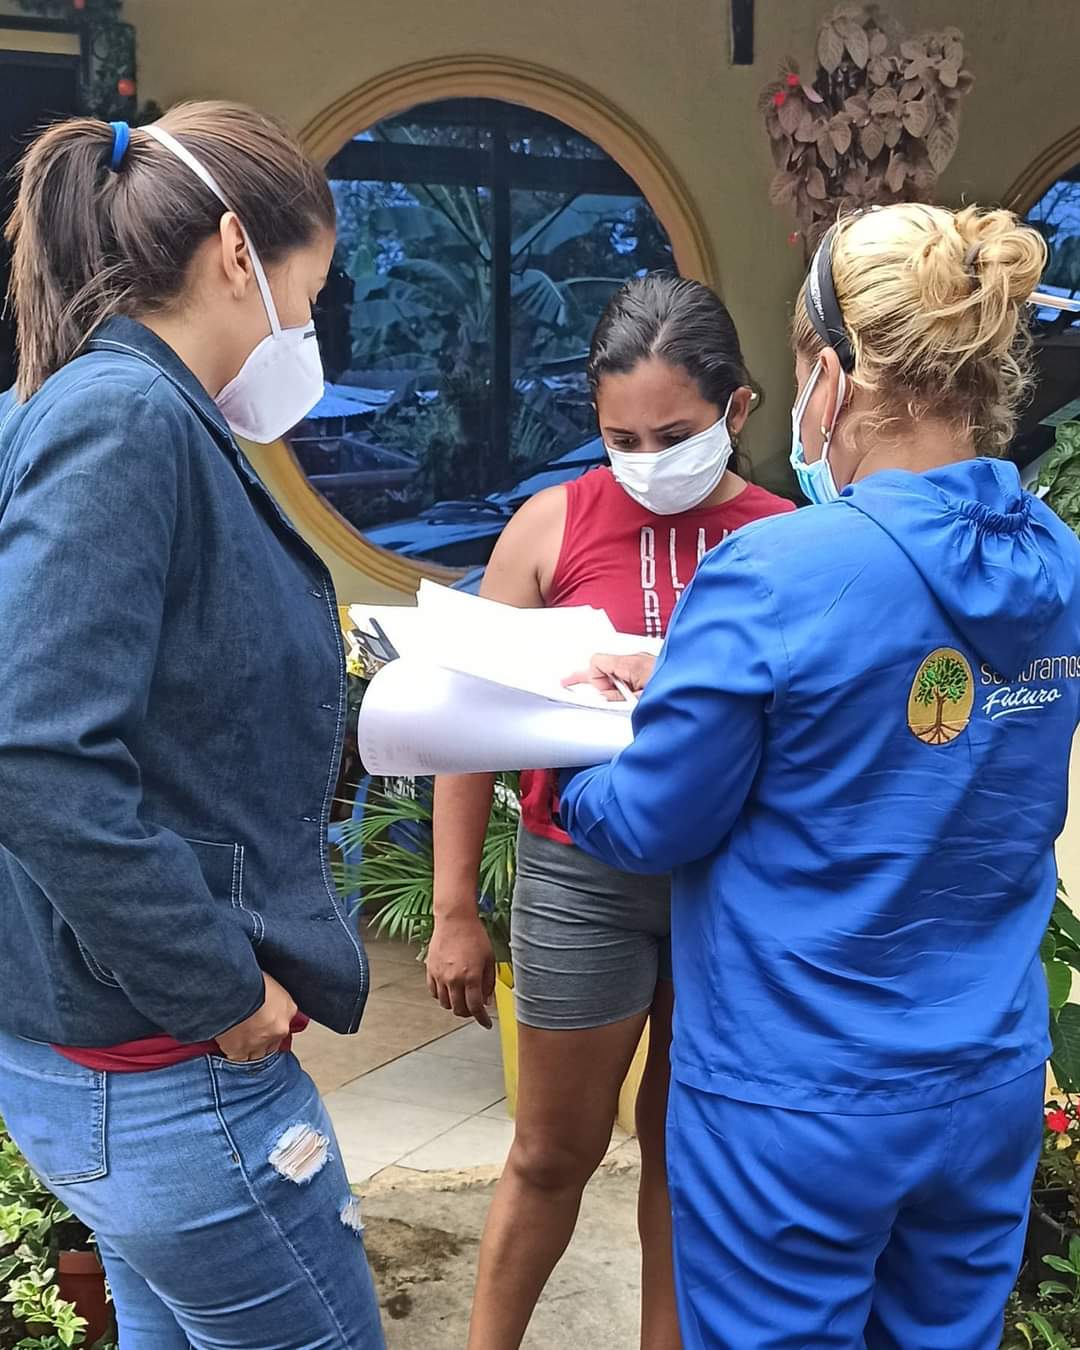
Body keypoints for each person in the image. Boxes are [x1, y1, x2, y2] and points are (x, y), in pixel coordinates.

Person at [559, 203, 1080, 1348]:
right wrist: (695, 679)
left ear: (833, 377)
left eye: (799, 375)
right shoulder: (1059, 563)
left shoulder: (773, 572)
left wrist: (566, 757)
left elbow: (653, 821)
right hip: (986, 1076)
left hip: (797, 1093)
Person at [0, 104, 384, 1349]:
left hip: (117, 1065)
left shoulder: (107, 407)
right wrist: (217, 987)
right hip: (165, 1069)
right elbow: (38, 754)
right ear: (235, 252)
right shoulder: (125, 420)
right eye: (309, 294)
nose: (306, 331)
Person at [426, 273, 794, 1349]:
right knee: (553, 1150)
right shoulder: (551, 525)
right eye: (621, 438)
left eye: (672, 436)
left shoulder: (787, 538)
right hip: (578, 878)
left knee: (686, 1154)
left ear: (736, 408)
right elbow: (469, 727)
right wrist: (454, 906)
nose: (646, 460)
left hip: (728, 882)